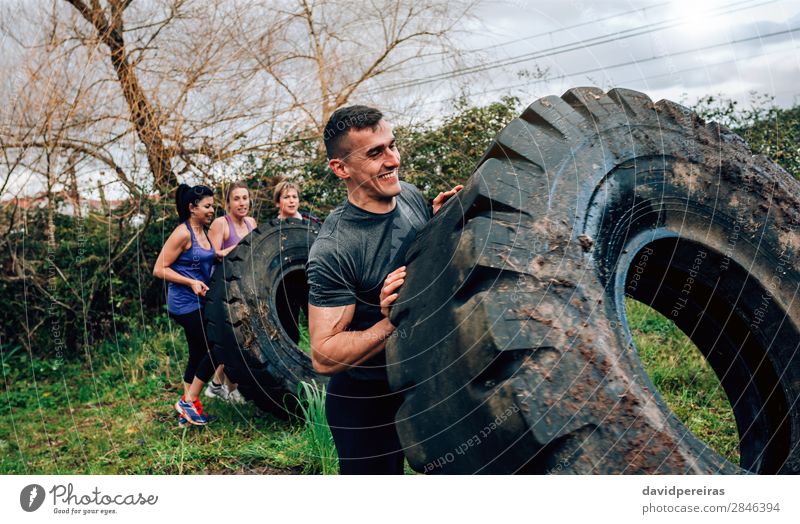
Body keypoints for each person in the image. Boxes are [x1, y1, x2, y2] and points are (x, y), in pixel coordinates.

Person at [306, 105, 462, 474]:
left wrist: (438, 224)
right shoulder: (335, 248)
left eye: (391, 145)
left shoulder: (407, 195)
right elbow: (323, 354)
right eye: (375, 153)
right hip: (365, 401)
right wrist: (391, 320)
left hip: (424, 379)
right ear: (341, 168)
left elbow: (417, 257)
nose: (393, 160)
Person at [153, 183, 223, 426]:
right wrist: (190, 282)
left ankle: (187, 412)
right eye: (207, 206)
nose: (212, 210)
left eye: (212, 205)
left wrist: (221, 255)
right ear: (192, 208)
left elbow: (203, 258)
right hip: (184, 303)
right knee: (219, 345)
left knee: (197, 352)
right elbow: (159, 268)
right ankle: (189, 400)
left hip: (200, 300)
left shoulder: (203, 230)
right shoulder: (183, 233)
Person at [206, 181, 258, 404]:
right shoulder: (221, 223)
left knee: (245, 339)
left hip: (245, 288)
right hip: (223, 290)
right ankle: (227, 388)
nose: (242, 203)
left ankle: (219, 386)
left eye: (245, 198)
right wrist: (237, 249)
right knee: (231, 341)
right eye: (236, 198)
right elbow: (212, 254)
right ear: (227, 203)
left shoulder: (252, 223)